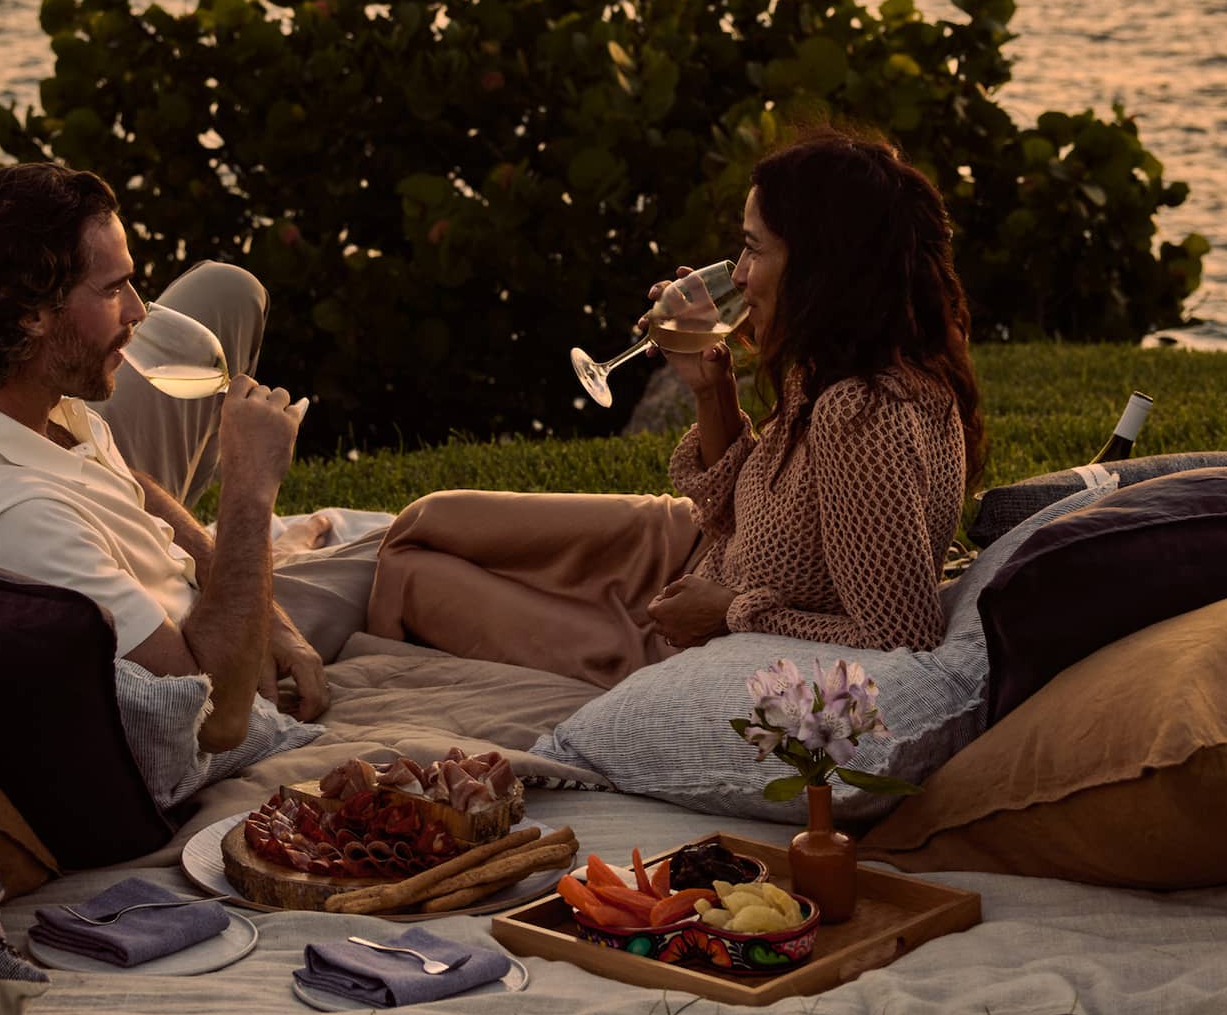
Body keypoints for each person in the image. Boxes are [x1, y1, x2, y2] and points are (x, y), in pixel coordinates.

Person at [368, 128, 984, 686]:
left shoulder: (862, 414)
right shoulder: (837, 363)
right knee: (428, 520)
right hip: (689, 548)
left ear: (823, 269)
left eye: (754, 250)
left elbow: (901, 642)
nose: (738, 275)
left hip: (679, 643)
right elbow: (746, 510)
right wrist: (710, 387)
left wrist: (727, 612)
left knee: (411, 577)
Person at [0, 162, 329, 748]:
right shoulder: (14, 520)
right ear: (29, 314)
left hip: (198, 594)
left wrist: (267, 614)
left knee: (412, 549)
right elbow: (215, 721)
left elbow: (122, 481)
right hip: (208, 647)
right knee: (410, 560)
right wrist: (249, 491)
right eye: (113, 289)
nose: (139, 311)